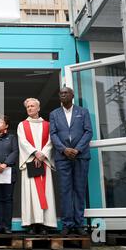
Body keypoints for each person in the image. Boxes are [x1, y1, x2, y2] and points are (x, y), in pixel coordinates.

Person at [49, 87, 93, 236]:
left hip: (80, 156)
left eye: (65, 93)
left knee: (80, 190)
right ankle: (67, 224)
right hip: (63, 157)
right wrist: (64, 149)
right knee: (65, 191)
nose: (62, 95)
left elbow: (88, 131)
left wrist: (78, 149)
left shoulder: (83, 112)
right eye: (60, 93)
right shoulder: (54, 114)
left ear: (72, 95)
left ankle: (79, 224)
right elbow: (53, 134)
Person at [17, 98, 57, 235]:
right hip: (30, 162)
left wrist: (43, 154)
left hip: (44, 162)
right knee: (31, 194)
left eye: (32, 106)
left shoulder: (48, 125)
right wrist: (35, 153)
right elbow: (22, 142)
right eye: (28, 106)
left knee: (45, 193)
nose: (30, 108)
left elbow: (52, 141)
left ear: (38, 108)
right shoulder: (22, 125)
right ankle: (33, 223)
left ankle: (46, 223)